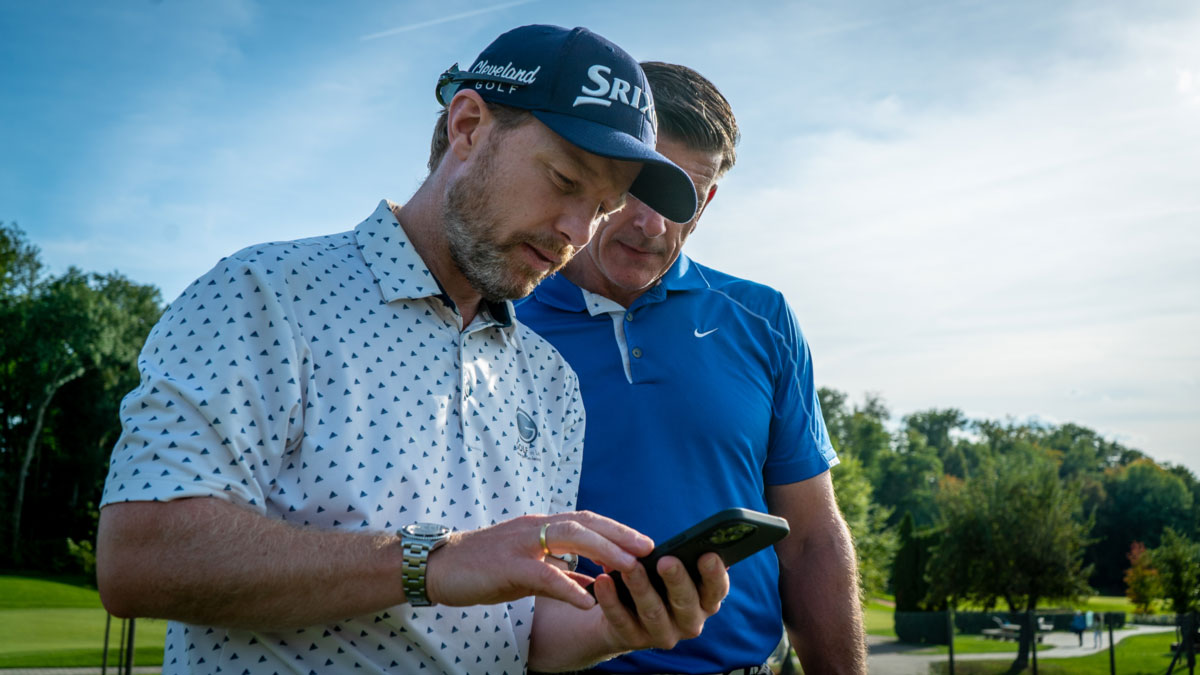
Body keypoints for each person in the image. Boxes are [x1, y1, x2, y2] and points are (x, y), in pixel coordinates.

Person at [95, 25, 731, 675]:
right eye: (566, 179)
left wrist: (611, 624)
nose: (577, 231)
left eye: (602, 207)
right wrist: (433, 560)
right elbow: (140, 554)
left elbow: (524, 633)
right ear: (468, 126)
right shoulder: (262, 293)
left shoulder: (552, 382)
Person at [517, 62, 866, 674]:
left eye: (679, 196)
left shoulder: (763, 317)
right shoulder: (500, 314)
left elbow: (811, 539)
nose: (650, 224)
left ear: (703, 204)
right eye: (636, 188)